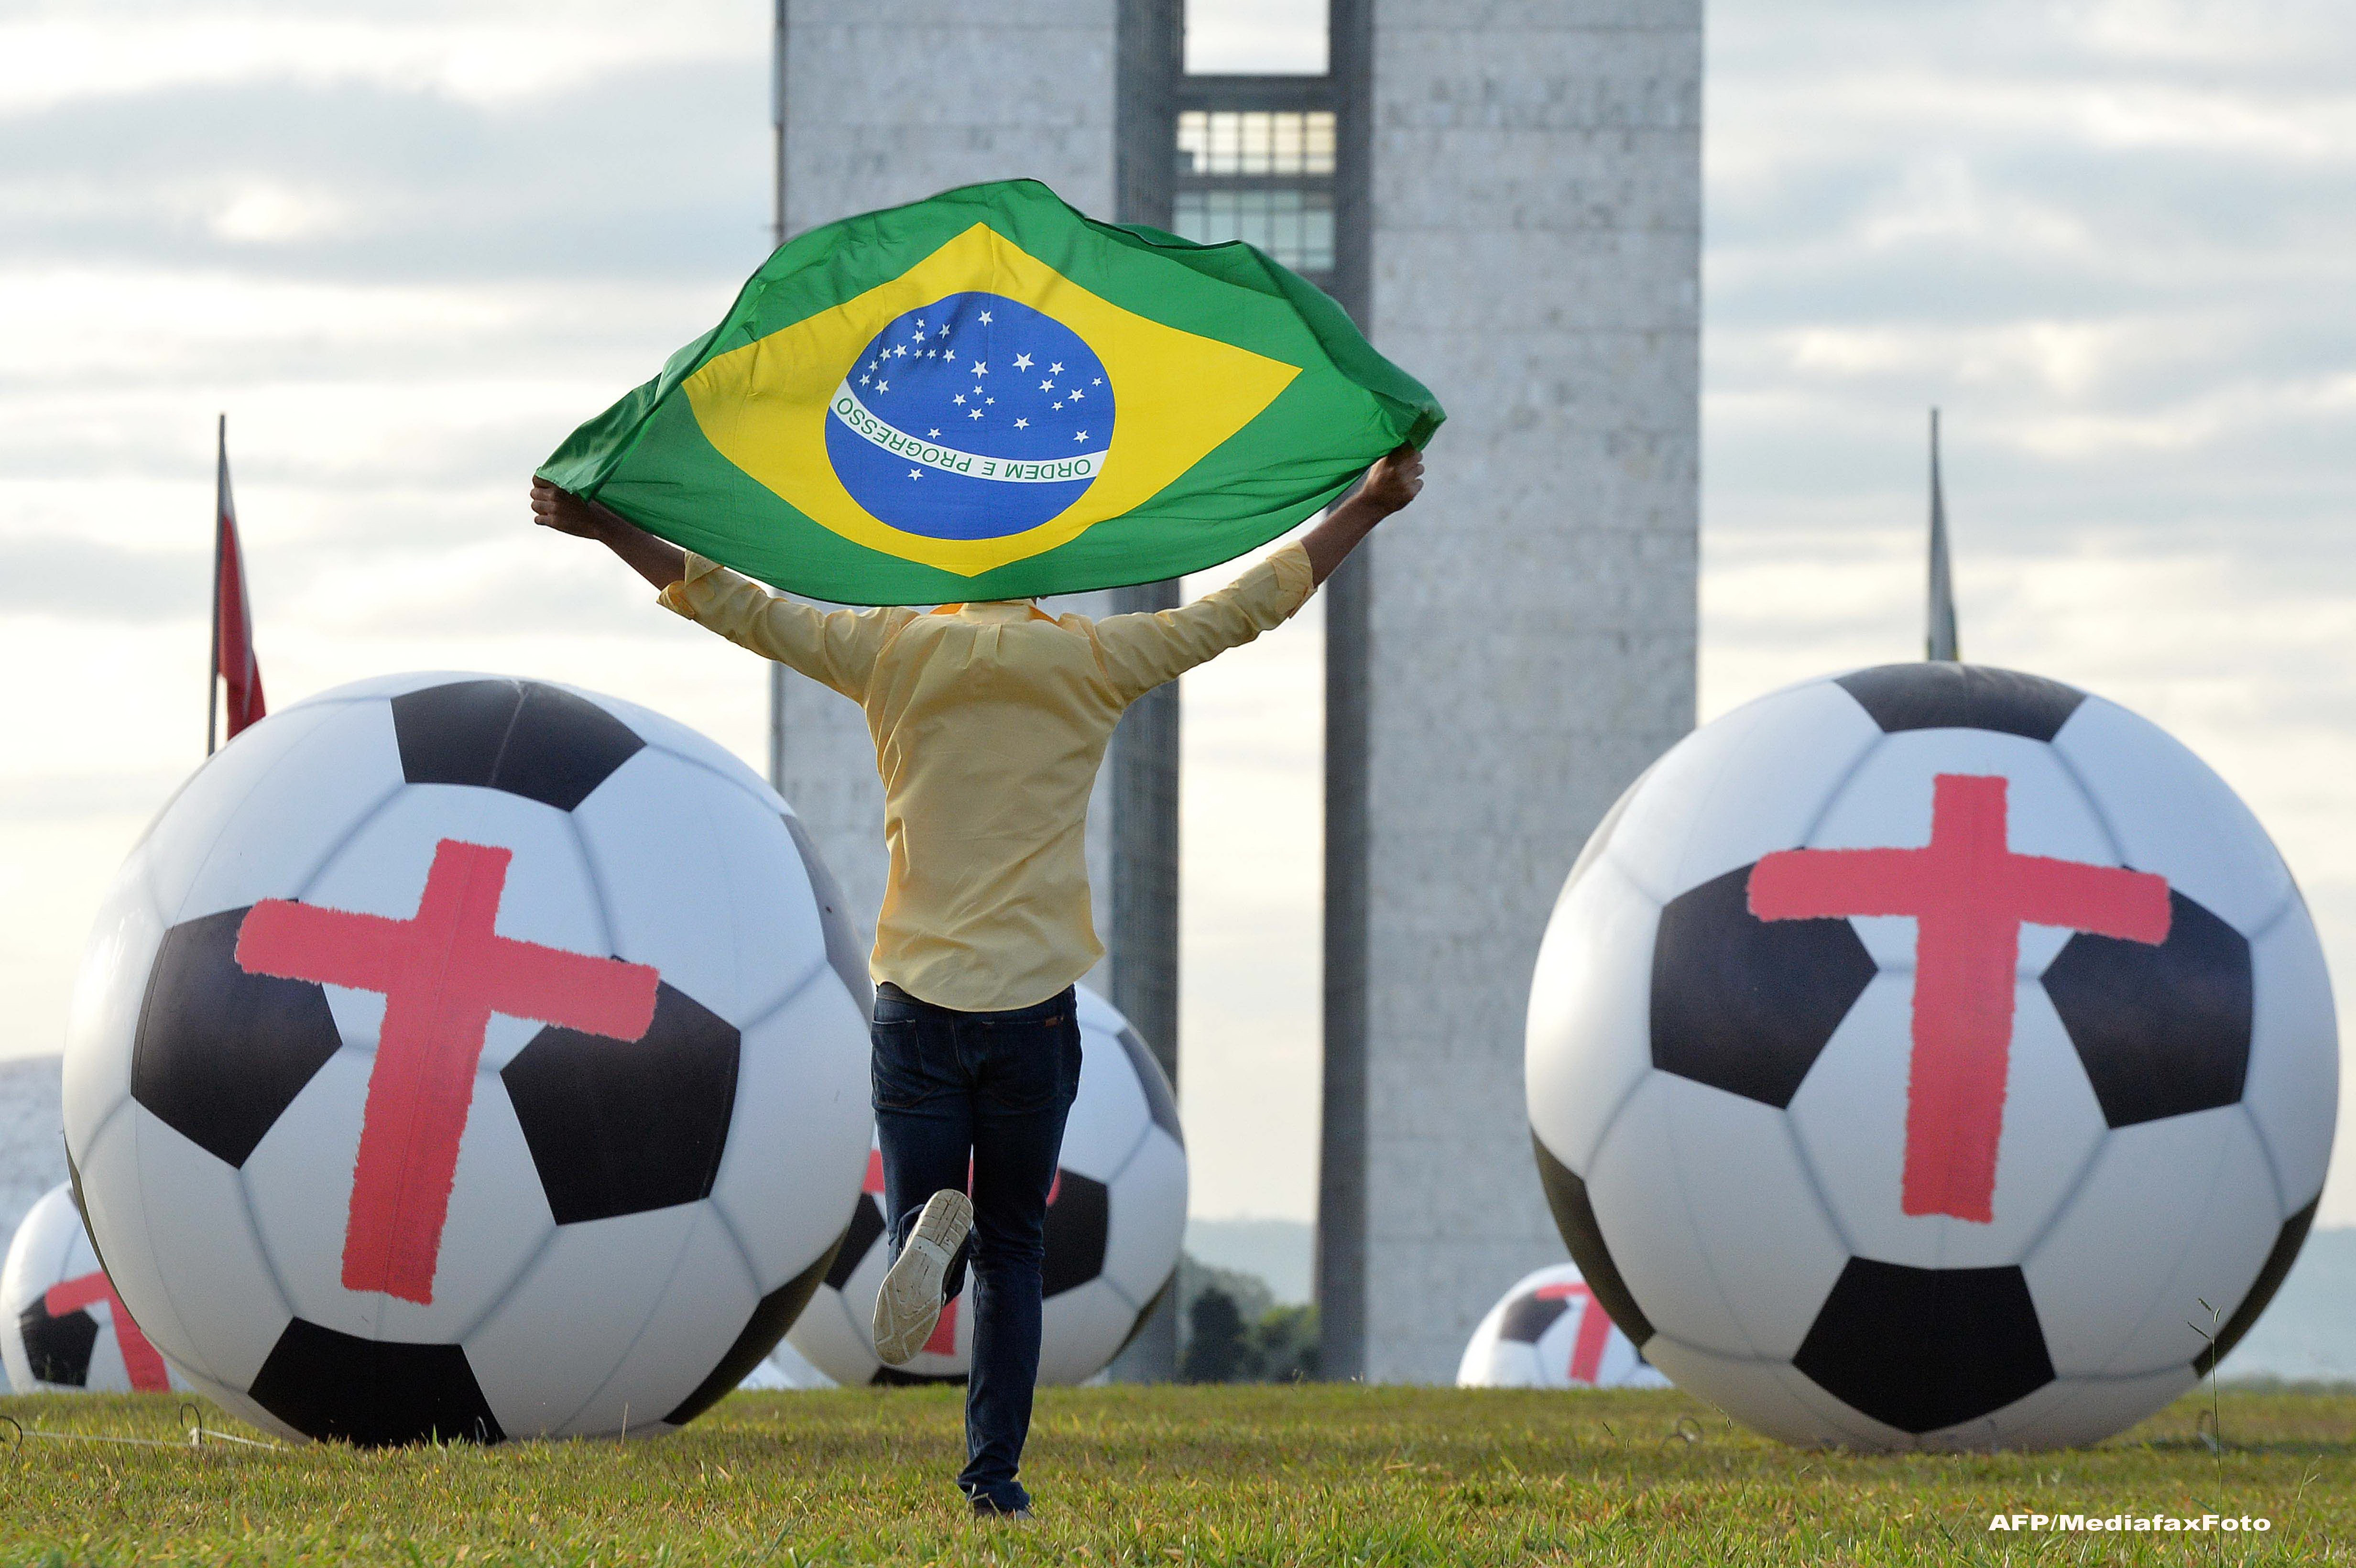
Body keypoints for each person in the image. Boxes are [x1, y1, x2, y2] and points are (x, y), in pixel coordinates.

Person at [530, 445, 1423, 1517]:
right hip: (1032, 1011)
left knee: (929, 1214)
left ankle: (925, 1240)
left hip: (917, 999)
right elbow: (1249, 606)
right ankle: (993, 1477)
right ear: (1047, 568)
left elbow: (735, 604)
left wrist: (606, 526)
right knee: (1016, 1251)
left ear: (946, 559)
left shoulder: (890, 649)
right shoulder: (1094, 658)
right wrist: (1366, 506)